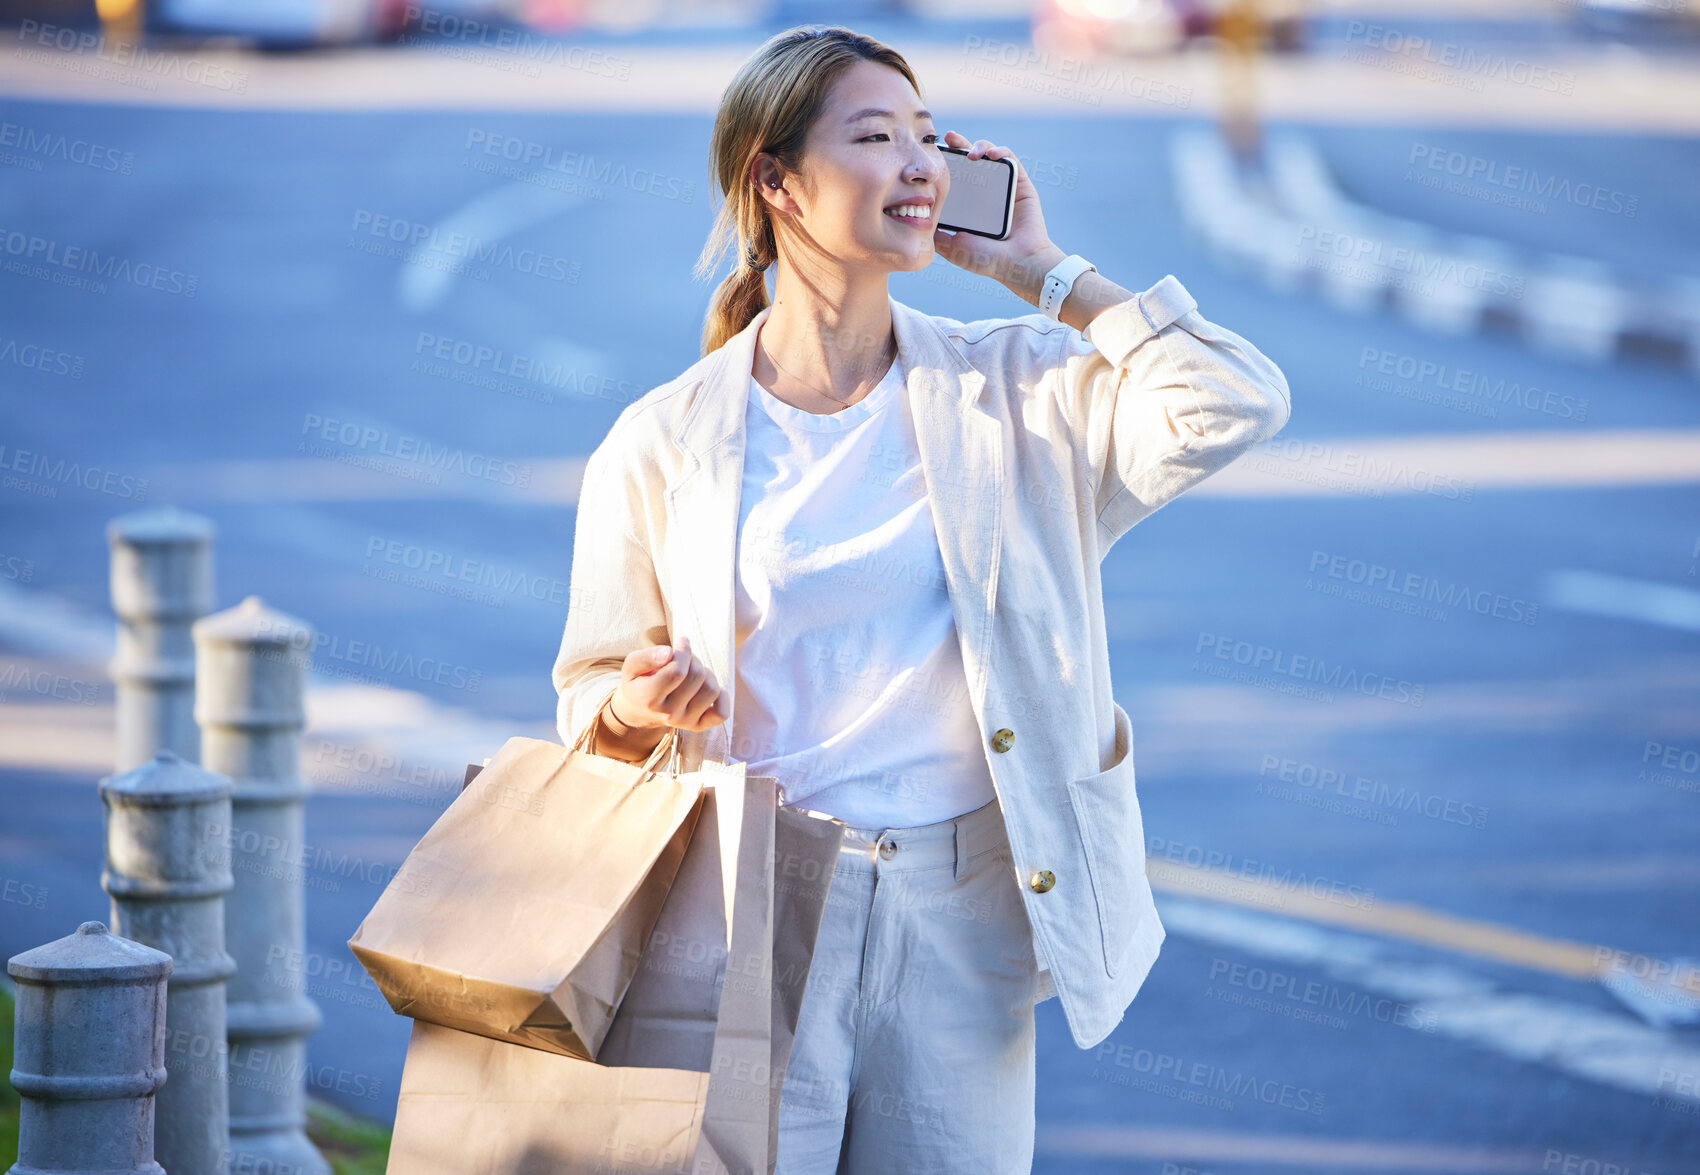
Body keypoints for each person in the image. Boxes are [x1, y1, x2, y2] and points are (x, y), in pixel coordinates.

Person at [551, 24, 1292, 1174]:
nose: (916, 165)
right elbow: (587, 693)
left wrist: (1041, 273)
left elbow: (1233, 399)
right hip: (745, 907)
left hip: (961, 905)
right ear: (775, 181)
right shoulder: (661, 441)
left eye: (923, 135)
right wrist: (641, 705)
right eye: (872, 136)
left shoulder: (1017, 388)